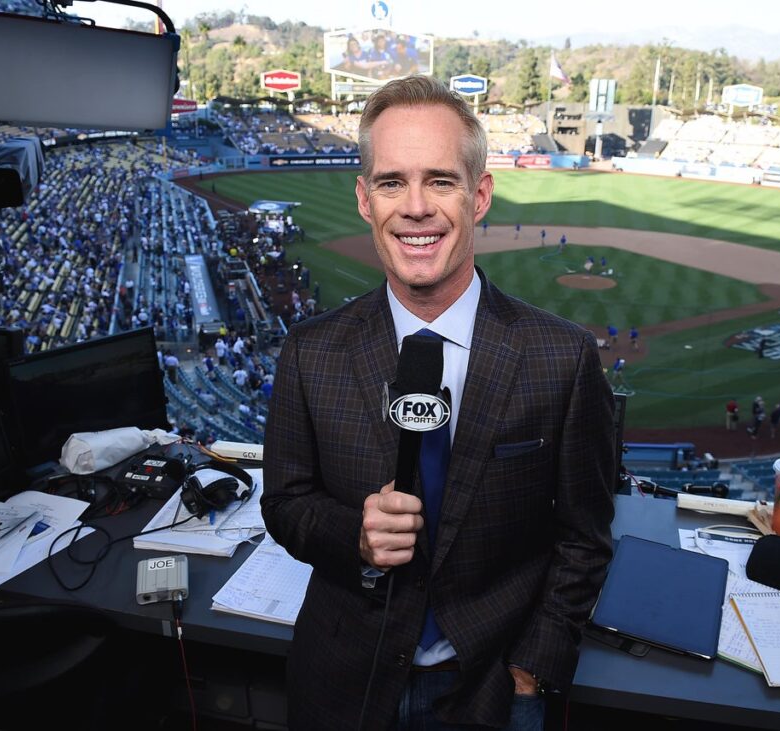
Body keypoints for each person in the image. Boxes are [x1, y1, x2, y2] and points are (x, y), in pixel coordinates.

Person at [261, 75, 615, 731]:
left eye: (441, 181)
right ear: (365, 200)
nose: (416, 206)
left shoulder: (561, 358)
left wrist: (532, 667)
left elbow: (584, 539)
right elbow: (284, 504)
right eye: (392, 182)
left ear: (479, 195)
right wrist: (356, 536)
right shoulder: (311, 352)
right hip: (341, 685)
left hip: (492, 690)